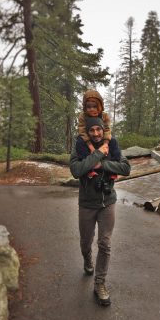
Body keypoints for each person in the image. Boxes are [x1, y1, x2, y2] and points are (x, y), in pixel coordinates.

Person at [70, 116, 131, 306]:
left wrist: (102, 164)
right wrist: (97, 155)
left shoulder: (112, 143)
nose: (96, 133)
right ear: (87, 132)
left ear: (103, 129)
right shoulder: (79, 145)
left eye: (99, 129)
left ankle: (100, 283)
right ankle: (87, 259)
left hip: (108, 202)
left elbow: (126, 167)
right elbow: (76, 169)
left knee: (105, 243)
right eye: (92, 130)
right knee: (85, 242)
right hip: (87, 203)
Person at [78, 89, 111, 154]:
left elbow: (107, 129)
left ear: (99, 106)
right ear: (85, 107)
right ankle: (84, 159)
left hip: (101, 139)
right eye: (89, 107)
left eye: (94, 106)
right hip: (87, 140)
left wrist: (105, 144)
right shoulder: (83, 116)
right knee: (80, 141)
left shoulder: (104, 115)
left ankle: (112, 159)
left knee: (113, 141)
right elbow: (82, 132)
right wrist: (91, 147)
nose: (92, 109)